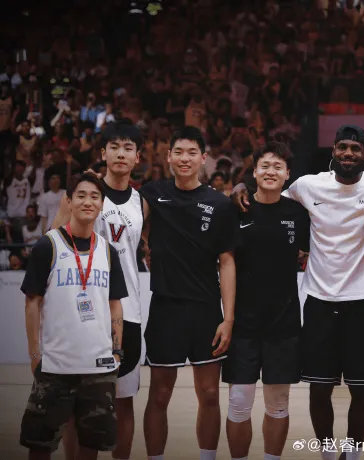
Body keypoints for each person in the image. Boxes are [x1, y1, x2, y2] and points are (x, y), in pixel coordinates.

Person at [232, 125, 364, 460]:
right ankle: (327, 454)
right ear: (333, 150)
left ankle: (353, 454)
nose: (348, 153)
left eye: (355, 148)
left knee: (362, 391)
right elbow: (268, 193)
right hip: (319, 302)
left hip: (363, 303)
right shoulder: (307, 185)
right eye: (342, 147)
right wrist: (240, 186)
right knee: (319, 389)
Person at [139, 126, 238, 460]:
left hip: (206, 310)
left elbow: (227, 262)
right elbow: (129, 224)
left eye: (192, 152)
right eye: (178, 152)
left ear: (203, 158)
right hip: (165, 308)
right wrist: (147, 244)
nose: (185, 158)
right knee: (159, 395)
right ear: (168, 156)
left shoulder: (219, 203)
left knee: (209, 394)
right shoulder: (151, 194)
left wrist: (228, 318)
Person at [52, 121, 146, 460]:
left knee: (123, 402)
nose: (121, 153)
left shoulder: (142, 202)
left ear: (138, 157)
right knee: (79, 403)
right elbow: (53, 244)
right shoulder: (83, 193)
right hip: (83, 312)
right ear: (103, 153)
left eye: (128, 148)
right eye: (114, 147)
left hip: (128, 312)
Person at [19, 173, 128, 460]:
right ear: (68, 201)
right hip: (56, 366)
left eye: (94, 196)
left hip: (99, 367)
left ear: (101, 205)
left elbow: (115, 304)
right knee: (40, 444)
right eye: (80, 195)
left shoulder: (107, 251)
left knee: (90, 445)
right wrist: (34, 354)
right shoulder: (48, 245)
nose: (87, 201)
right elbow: (32, 303)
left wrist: (117, 350)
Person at [224, 142, 309, 460]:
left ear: (287, 174)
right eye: (265, 166)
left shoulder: (298, 213)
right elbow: (226, 261)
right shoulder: (237, 208)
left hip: (283, 323)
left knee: (278, 404)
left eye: (278, 166)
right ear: (255, 171)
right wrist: (228, 318)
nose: (271, 171)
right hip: (243, 324)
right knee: (239, 402)